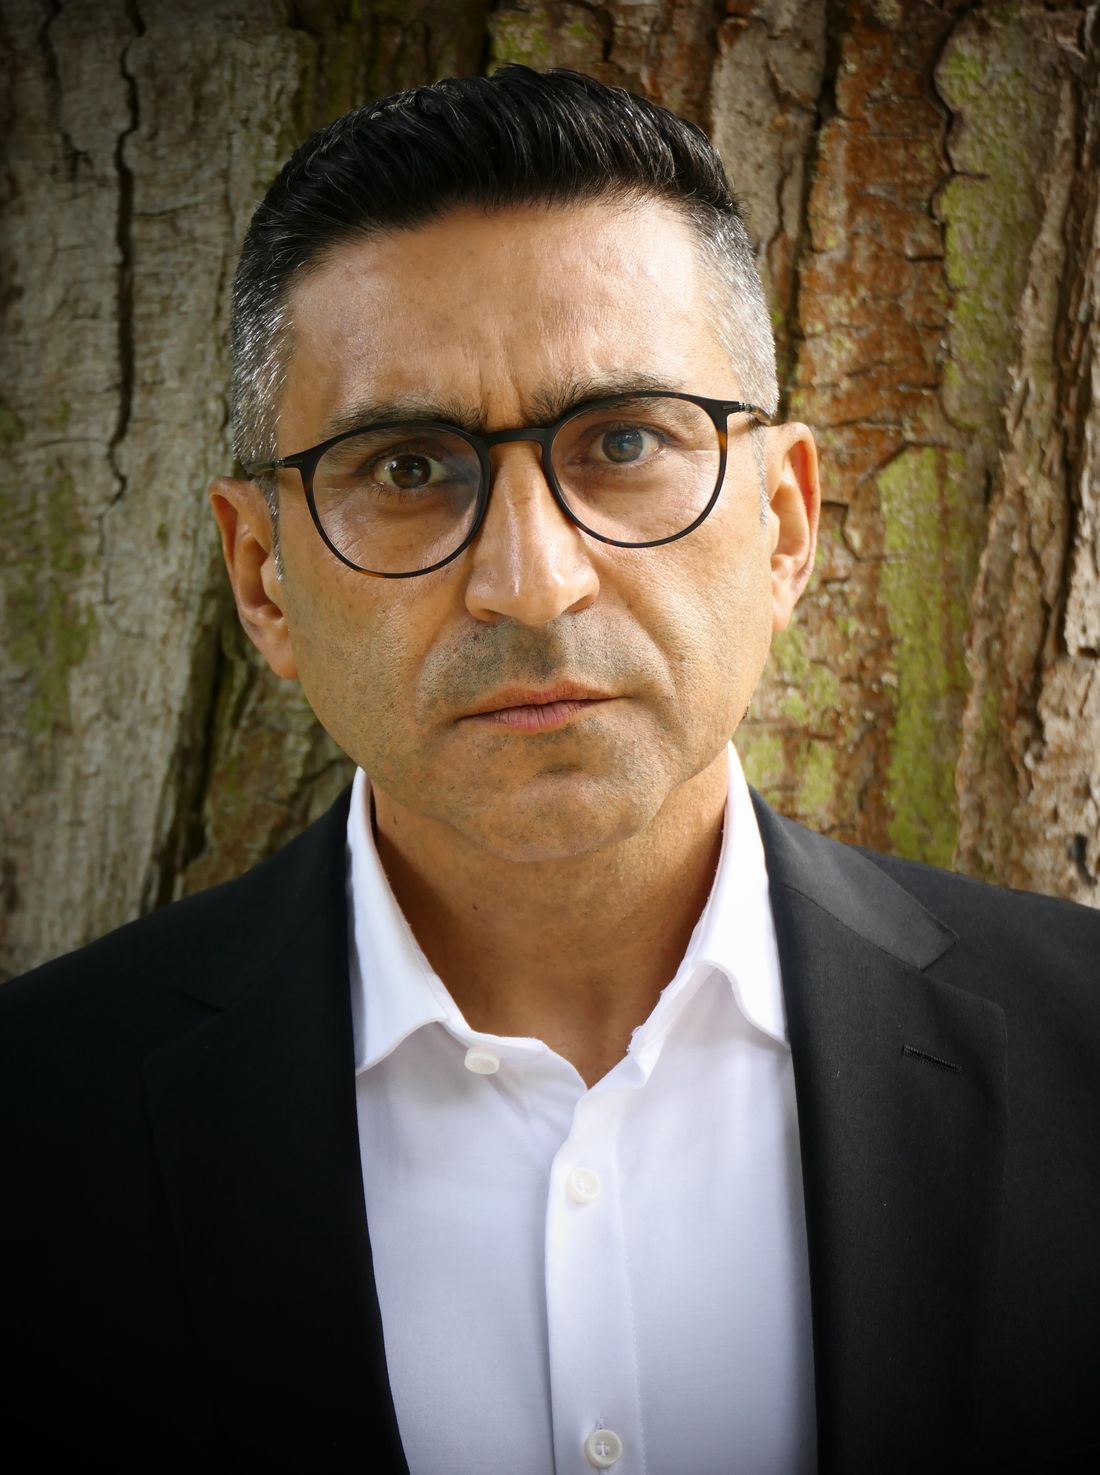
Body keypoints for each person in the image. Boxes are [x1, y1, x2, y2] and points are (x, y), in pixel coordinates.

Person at [1, 65, 1097, 1475]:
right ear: (264, 578)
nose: (532, 582)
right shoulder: (38, 1130)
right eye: (407, 469)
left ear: (783, 524)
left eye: (626, 443)